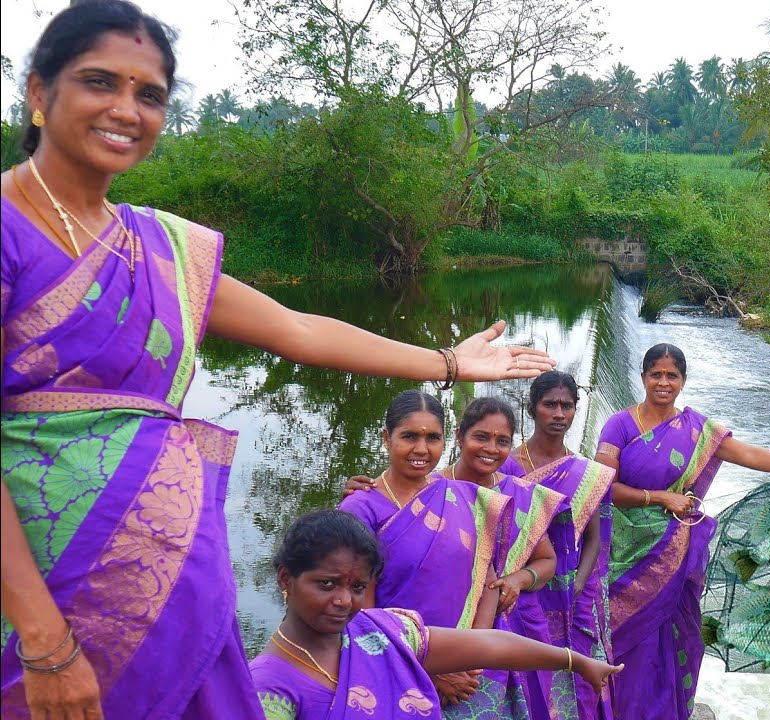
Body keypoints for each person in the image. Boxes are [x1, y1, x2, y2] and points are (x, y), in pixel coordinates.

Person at [0, 3, 554, 718]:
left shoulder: (161, 248)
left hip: (176, 586)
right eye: (100, 82)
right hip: (41, 586)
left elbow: (298, 328)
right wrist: (44, 638)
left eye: (150, 94)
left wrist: (446, 361)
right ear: (40, 92)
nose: (126, 110)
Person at [593, 343, 770, 720]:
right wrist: (661, 498)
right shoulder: (621, 425)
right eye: (655, 374)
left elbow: (751, 456)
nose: (663, 382)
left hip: (675, 554)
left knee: (675, 637)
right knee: (629, 638)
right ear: (643, 378)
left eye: (671, 375)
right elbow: (602, 486)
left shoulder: (697, 431)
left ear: (683, 381)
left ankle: (665, 711)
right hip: (625, 556)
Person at [251, 509, 624, 720]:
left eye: (358, 587)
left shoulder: (382, 631)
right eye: (327, 584)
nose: (344, 601)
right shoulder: (268, 689)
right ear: (287, 578)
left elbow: (490, 645)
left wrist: (575, 661)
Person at [336, 391, 510, 713]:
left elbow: (486, 578)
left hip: (465, 673)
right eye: (409, 436)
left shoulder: (458, 496)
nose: (421, 449)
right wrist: (429, 667)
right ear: (386, 438)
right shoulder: (361, 509)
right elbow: (357, 613)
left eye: (433, 438)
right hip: (389, 669)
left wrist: (471, 653)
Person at [432, 398, 564, 720]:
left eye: (502, 441)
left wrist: (518, 580)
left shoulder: (519, 495)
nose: (491, 448)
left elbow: (548, 560)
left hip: (512, 628)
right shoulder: (429, 488)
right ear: (460, 437)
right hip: (444, 625)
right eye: (481, 437)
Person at [501, 372, 615, 720]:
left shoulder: (587, 473)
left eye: (567, 405)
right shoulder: (505, 465)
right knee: (522, 674)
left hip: (572, 593)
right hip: (519, 591)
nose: (559, 413)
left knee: (576, 676)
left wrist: (579, 582)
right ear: (533, 408)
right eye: (550, 404)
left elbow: (593, 538)